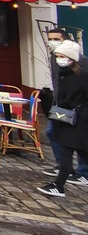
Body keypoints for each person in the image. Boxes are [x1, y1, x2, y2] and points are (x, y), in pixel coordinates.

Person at [38, 40, 88, 198]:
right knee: (80, 151)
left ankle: (58, 185)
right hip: (69, 118)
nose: (59, 59)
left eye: (62, 56)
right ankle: (58, 185)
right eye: (58, 56)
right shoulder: (65, 74)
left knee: (67, 152)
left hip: (76, 119)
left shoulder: (79, 76)